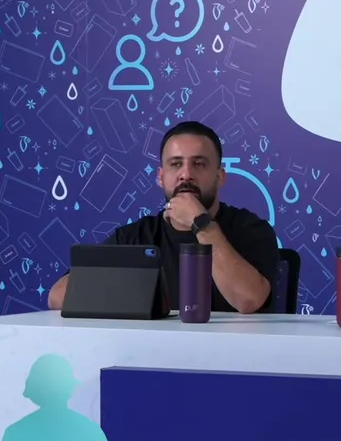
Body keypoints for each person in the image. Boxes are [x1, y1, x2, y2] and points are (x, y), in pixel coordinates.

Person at [47, 121, 280, 314]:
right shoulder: (134, 238)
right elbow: (57, 296)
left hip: (231, 353)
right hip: (151, 351)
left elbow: (248, 300)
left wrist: (201, 224)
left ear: (220, 177)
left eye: (199, 164)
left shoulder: (251, 229)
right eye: (175, 164)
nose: (186, 174)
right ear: (161, 177)